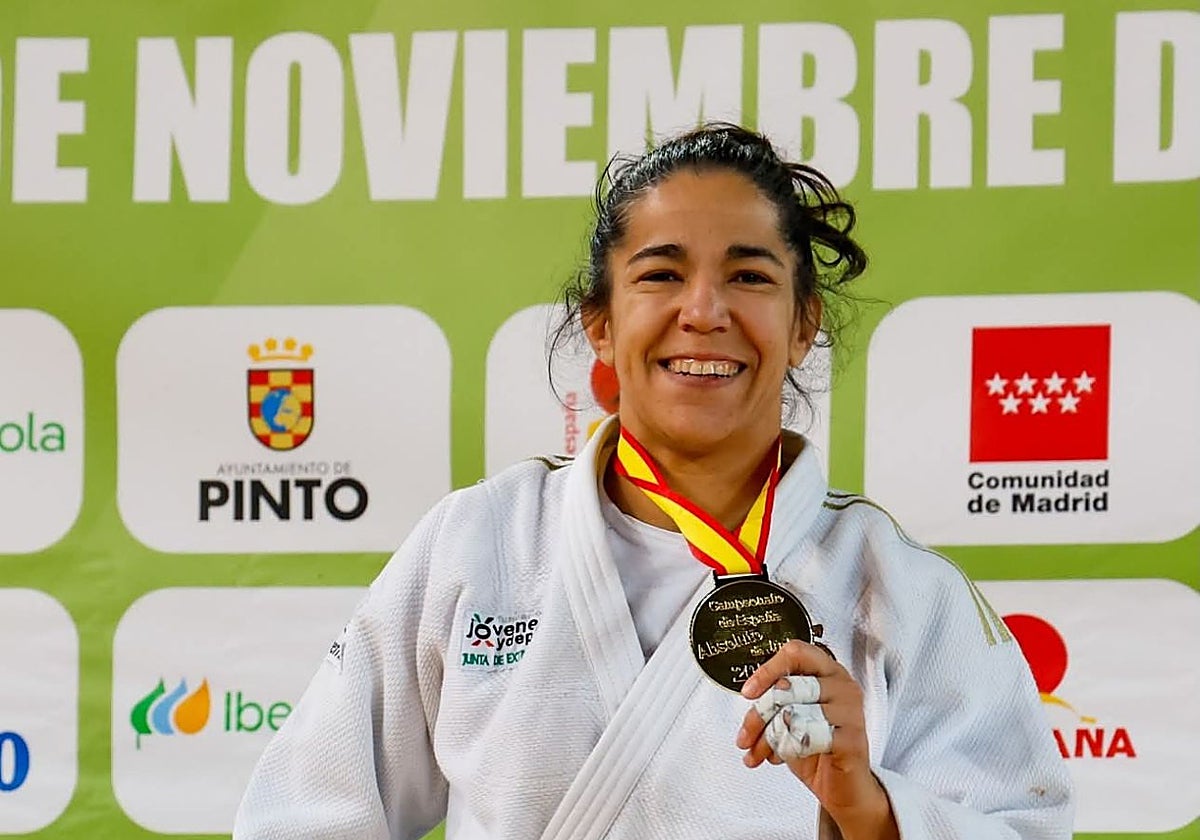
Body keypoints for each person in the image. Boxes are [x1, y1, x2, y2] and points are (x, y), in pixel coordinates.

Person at [233, 124, 1073, 839]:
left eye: (750, 275)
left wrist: (875, 812)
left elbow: (1024, 821)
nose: (704, 310)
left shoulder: (900, 590)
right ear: (600, 323)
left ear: (803, 320)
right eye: (661, 274)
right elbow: (302, 813)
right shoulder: (480, 542)